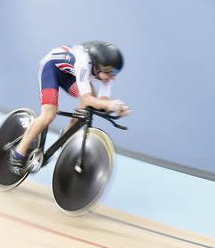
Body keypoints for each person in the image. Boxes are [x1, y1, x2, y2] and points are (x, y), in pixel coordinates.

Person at [9, 40, 131, 175]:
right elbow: (88, 99)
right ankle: (18, 153)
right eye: (110, 72)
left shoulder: (106, 74)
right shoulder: (84, 63)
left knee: (90, 103)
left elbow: (102, 103)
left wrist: (118, 108)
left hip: (70, 74)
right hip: (51, 69)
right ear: (98, 66)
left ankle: (66, 137)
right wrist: (110, 105)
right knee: (49, 114)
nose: (112, 77)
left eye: (115, 72)